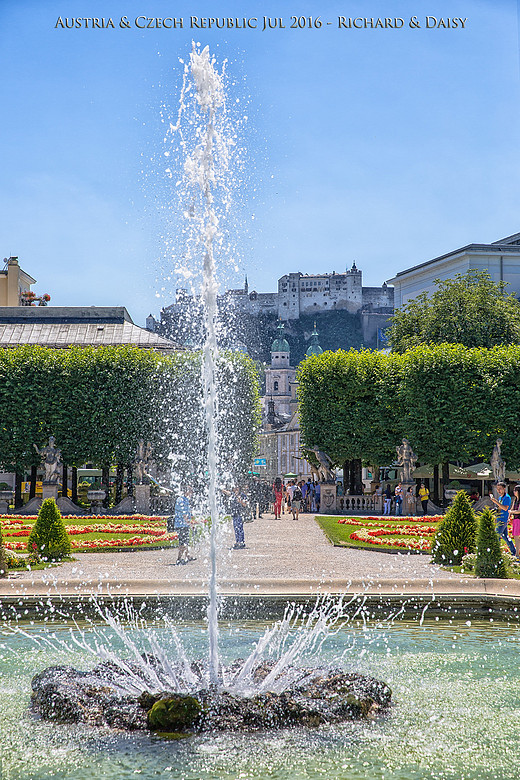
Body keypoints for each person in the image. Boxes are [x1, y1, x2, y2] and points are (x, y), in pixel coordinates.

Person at [489, 481, 516, 556]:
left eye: (500, 489)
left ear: (504, 489)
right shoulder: (501, 497)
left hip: (503, 519)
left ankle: (496, 552)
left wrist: (496, 502)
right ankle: (514, 551)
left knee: (496, 535)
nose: (498, 491)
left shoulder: (507, 497)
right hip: (499, 518)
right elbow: (500, 508)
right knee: (506, 537)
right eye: (497, 489)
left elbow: (505, 508)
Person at [174, 484, 195, 565]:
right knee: (183, 542)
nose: (192, 492)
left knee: (186, 541)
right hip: (181, 524)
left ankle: (188, 556)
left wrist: (191, 521)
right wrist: (190, 523)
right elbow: (184, 514)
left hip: (184, 524)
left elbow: (189, 512)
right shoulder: (180, 500)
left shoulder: (186, 499)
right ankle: (179, 558)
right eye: (190, 490)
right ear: (186, 491)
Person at [510, 484, 520, 561]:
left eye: (515, 490)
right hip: (515, 520)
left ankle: (517, 554)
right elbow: (512, 509)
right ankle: (517, 553)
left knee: (517, 537)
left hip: (518, 519)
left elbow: (518, 511)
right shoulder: (515, 500)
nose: (514, 492)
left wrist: (511, 511)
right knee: (516, 537)